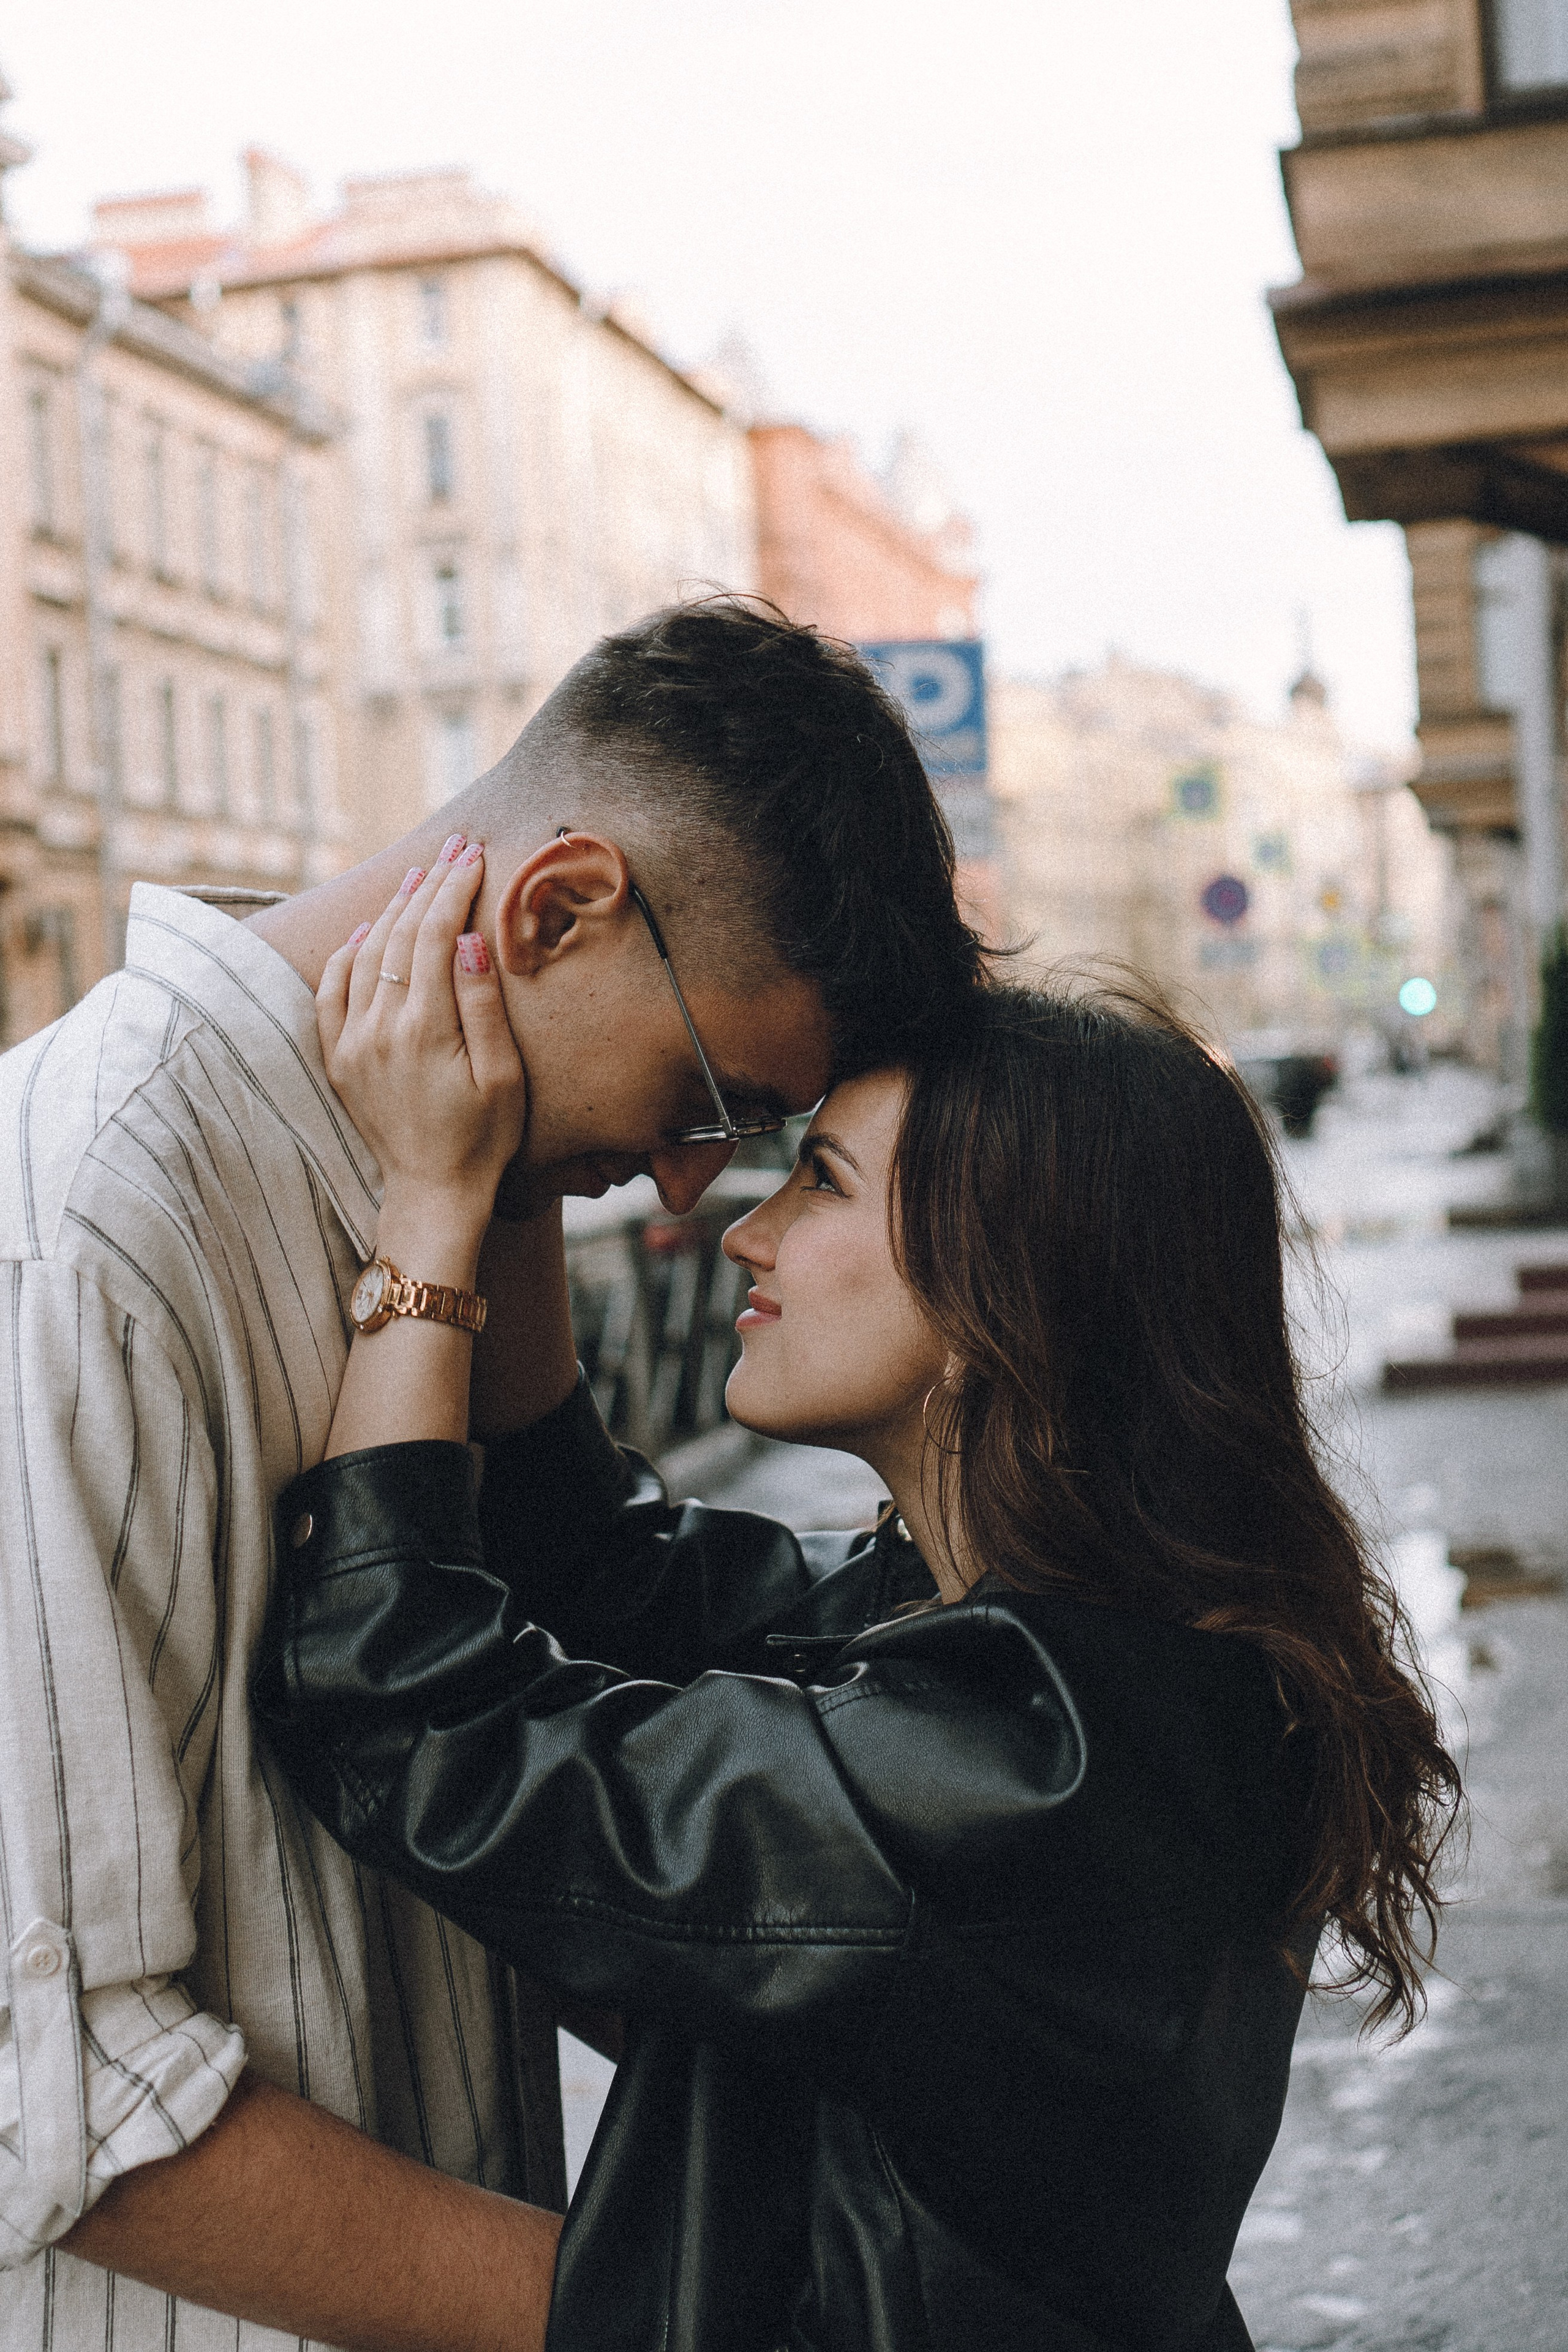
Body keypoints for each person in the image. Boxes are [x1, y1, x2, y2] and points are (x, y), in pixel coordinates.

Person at [255, 873, 1461, 2352]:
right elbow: (607, 1582)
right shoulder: (1065, 1639)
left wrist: (427, 1211)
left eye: (817, 1180)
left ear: (998, 1282)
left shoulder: (1027, 1765)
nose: (742, 1237)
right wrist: (521, 1164)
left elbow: (410, 1713)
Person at [0, 600, 983, 2352]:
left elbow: (574, 1636)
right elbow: (55, 2085)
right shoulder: (89, 1231)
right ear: (554, 909)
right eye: (708, 1099)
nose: (690, 1188)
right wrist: (704, 2328)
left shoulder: (407, 1175)